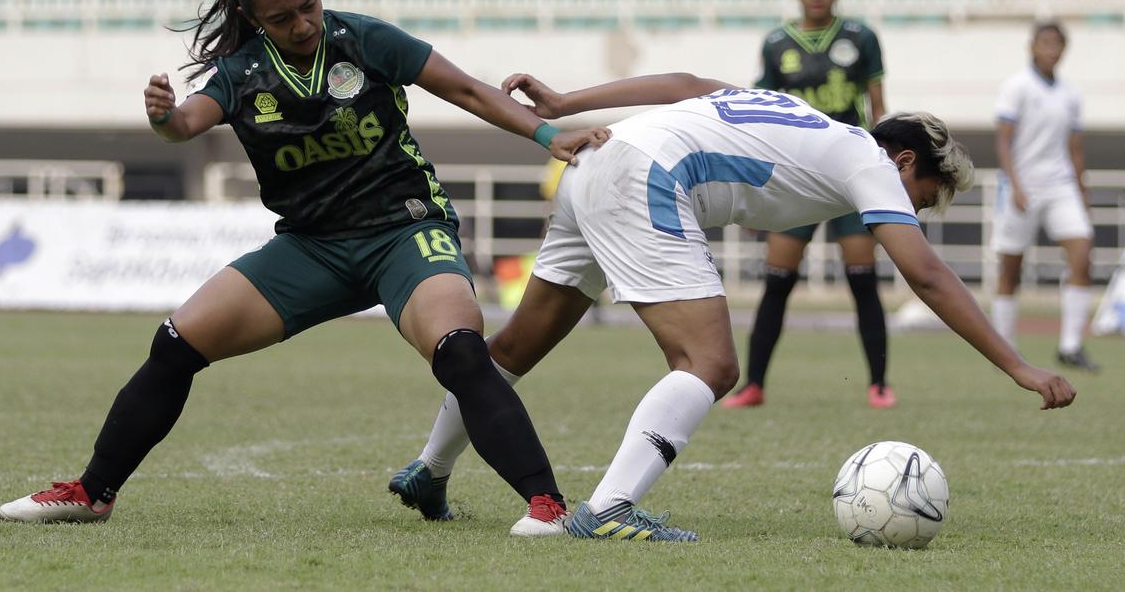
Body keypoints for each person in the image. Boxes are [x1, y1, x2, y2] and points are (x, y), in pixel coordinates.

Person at [0, 0, 611, 536]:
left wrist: (547, 133)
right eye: (282, 18)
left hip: (404, 231)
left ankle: (548, 507)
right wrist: (163, 118)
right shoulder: (241, 74)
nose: (302, 24)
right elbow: (185, 126)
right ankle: (92, 492)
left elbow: (470, 92)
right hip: (312, 249)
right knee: (175, 344)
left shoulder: (365, 39)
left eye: (309, 5)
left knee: (459, 351)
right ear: (252, 18)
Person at [390, 72, 1077, 542]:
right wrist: (1016, 366)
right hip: (646, 178)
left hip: (597, 163)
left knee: (514, 350)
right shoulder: (867, 161)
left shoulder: (803, 119)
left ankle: (430, 471)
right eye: (921, 196)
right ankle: (609, 508)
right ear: (902, 162)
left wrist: (569, 100)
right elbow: (924, 274)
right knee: (711, 363)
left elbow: (685, 86)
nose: (910, 210)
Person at [723, 0, 895, 410]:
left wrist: (883, 163)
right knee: (777, 281)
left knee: (863, 279)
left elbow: (878, 108)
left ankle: (879, 384)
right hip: (794, 176)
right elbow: (761, 115)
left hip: (848, 177)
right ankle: (754, 384)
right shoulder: (778, 43)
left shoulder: (861, 37)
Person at [991, 21, 1099, 371]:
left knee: (1082, 252)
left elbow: (1076, 147)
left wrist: (1082, 191)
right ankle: (1004, 348)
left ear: (1064, 49)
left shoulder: (1070, 93)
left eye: (1057, 43)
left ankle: (1070, 345)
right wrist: (1016, 185)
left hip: (1060, 185)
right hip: (1022, 185)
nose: (1051, 49)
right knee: (1011, 268)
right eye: (1044, 42)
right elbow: (1004, 141)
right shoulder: (1016, 87)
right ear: (1032, 46)